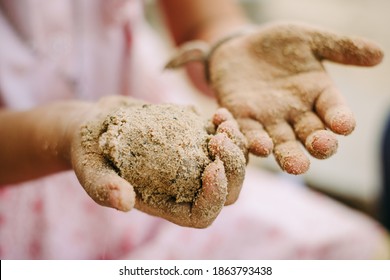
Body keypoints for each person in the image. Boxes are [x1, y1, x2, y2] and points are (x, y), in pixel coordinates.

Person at [0, 0, 389, 259]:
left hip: (138, 122)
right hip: (25, 193)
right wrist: (69, 134)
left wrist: (226, 44)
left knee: (363, 253)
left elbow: (201, 17)